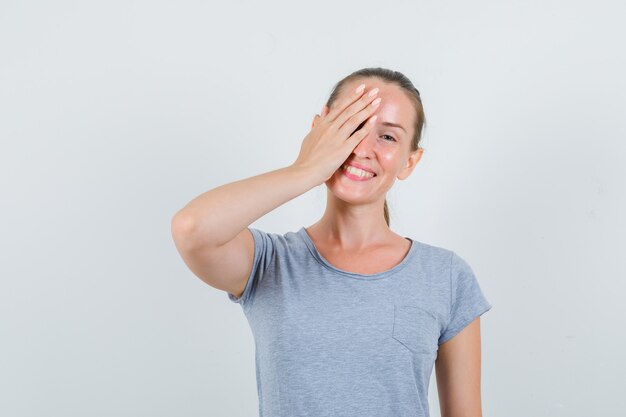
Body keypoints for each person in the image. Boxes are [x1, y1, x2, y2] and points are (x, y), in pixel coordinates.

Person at [171, 67, 492, 417]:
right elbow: (191, 228)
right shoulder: (270, 262)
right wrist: (307, 169)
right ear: (319, 131)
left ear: (410, 162)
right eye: (351, 126)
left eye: (387, 137)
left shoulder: (446, 276)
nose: (363, 148)